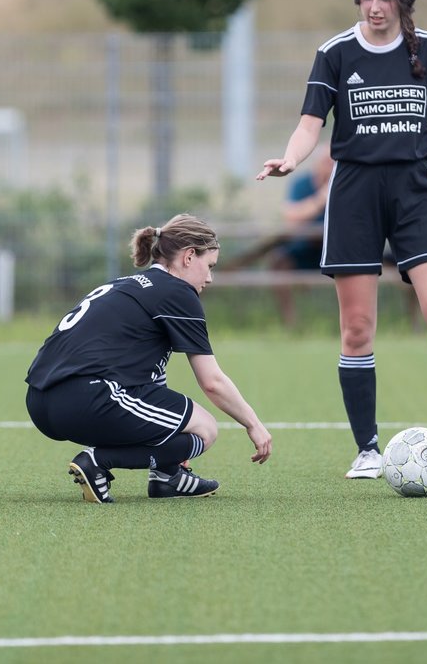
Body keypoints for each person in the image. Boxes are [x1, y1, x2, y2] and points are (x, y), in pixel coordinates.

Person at [256, 0, 427, 481]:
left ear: (404, 1)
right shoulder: (334, 52)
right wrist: (291, 157)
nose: (375, 8)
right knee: (357, 329)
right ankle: (367, 449)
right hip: (354, 195)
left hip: (416, 194)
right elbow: (311, 123)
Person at [24, 214, 272, 503]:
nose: (209, 277)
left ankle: (168, 479)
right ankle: (97, 461)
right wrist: (253, 424)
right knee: (206, 429)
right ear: (189, 257)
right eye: (209, 266)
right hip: (88, 397)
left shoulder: (126, 284)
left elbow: (148, 379)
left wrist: (173, 449)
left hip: (40, 402)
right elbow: (212, 382)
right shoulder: (178, 292)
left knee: (178, 416)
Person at [269, 153, 333, 327]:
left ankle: (343, 322)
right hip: (305, 247)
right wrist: (320, 199)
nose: (331, 166)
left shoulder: (348, 183)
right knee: (279, 263)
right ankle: (291, 323)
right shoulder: (301, 183)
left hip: (337, 249)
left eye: (334, 162)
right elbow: (290, 217)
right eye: (327, 161)